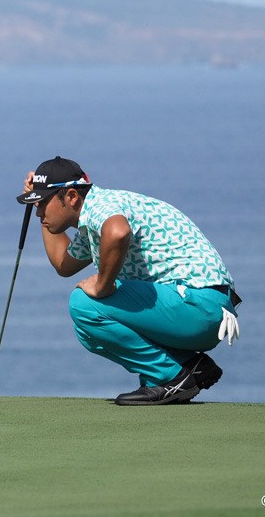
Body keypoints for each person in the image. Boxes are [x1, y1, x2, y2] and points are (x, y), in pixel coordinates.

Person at [18, 156, 241, 405]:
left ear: (71, 196)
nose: (38, 211)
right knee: (87, 331)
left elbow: (118, 232)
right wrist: (38, 198)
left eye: (43, 203)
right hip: (201, 308)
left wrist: (103, 286)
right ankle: (188, 367)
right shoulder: (93, 219)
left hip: (199, 304)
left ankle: (173, 376)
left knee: (83, 304)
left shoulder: (101, 208)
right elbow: (62, 262)